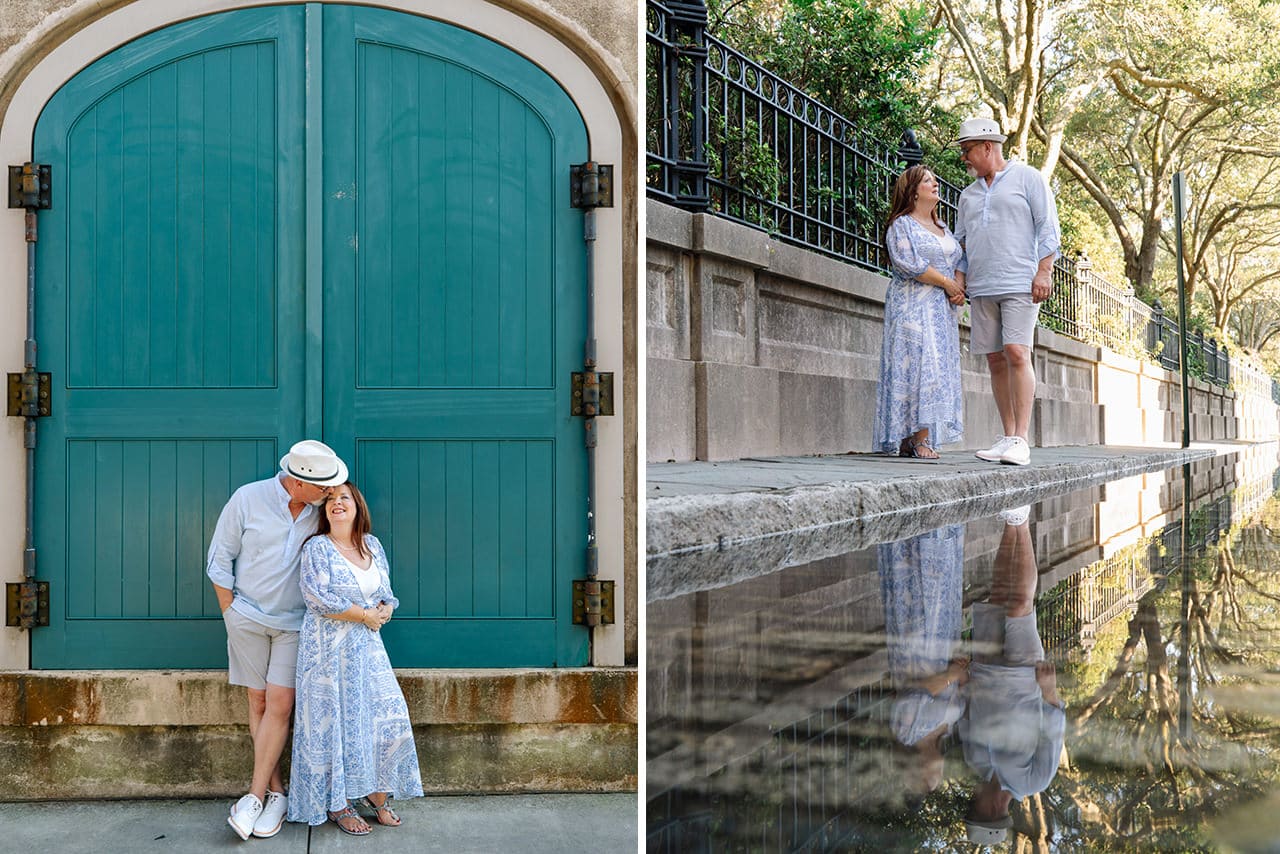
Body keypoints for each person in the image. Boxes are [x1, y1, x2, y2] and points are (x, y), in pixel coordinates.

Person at [207, 439, 349, 840]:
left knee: (280, 702)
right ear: (298, 482)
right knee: (258, 701)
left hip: (295, 624)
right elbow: (219, 558)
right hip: (246, 618)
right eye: (323, 487)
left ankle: (252, 796)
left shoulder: (320, 510)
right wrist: (229, 610)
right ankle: (276, 793)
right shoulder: (247, 499)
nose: (329, 493)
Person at [288, 480, 424, 834]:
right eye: (330, 499)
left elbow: (386, 593)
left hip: (367, 650)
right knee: (333, 725)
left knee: (386, 718)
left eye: (344, 498)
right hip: (327, 653)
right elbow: (317, 597)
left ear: (356, 505)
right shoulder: (317, 547)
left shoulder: (372, 546)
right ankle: (339, 804)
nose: (337, 504)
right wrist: (365, 615)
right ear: (324, 509)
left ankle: (377, 794)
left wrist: (384, 611)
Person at [952, 117, 1061, 466]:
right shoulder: (967, 195)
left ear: (987, 146)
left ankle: (1022, 439)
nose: (964, 158)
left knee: (1016, 351)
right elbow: (961, 243)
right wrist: (959, 281)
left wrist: (1044, 270)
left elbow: (1048, 226)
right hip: (982, 286)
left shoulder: (1027, 178)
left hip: (1020, 282)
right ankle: (1008, 436)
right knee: (995, 359)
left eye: (967, 150)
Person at [959, 504, 1065, 846]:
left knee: (999, 595)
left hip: (985, 670)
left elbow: (966, 718)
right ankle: (1022, 520)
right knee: (1020, 604)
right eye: (973, 807)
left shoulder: (975, 763)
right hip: (1024, 678)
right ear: (991, 811)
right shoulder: (1032, 782)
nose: (971, 800)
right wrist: (1050, 694)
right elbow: (1052, 736)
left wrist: (963, 684)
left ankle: (1010, 518)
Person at [873, 164, 965, 460]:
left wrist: (957, 287)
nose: (935, 184)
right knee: (914, 368)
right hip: (912, 305)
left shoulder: (943, 228)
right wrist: (947, 283)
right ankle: (917, 438)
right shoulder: (902, 225)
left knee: (935, 370)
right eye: (928, 181)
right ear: (913, 191)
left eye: (935, 180)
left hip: (941, 311)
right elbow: (908, 264)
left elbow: (957, 259)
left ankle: (913, 437)